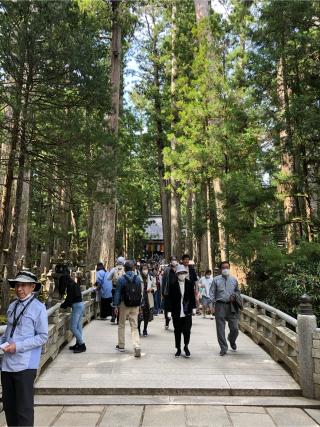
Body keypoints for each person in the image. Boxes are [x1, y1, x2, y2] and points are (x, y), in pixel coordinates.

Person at [1, 271, 48, 427]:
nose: (19, 288)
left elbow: (42, 336)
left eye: (23, 285)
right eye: (17, 285)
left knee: (24, 409)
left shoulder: (38, 308)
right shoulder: (13, 305)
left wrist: (18, 346)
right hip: (7, 365)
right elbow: (8, 333)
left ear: (32, 287)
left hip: (25, 365)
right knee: (9, 407)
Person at [210, 261, 241, 356]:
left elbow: (238, 292)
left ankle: (231, 339)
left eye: (227, 267)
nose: (225, 269)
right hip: (220, 305)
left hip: (231, 306)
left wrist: (235, 296)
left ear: (229, 268)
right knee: (220, 328)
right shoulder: (216, 280)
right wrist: (212, 306)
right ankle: (223, 347)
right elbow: (212, 293)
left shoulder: (234, 280)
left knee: (235, 328)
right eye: (223, 268)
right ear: (220, 269)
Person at [113, 260, 142, 357]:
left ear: (125, 268)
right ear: (133, 268)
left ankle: (121, 345)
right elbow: (141, 292)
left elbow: (117, 293)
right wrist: (140, 304)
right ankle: (136, 346)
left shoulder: (121, 279)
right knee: (134, 326)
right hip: (135, 305)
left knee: (121, 325)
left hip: (124, 304)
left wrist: (115, 305)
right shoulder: (138, 279)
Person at [167, 264, 196, 358]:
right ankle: (178, 348)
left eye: (183, 273)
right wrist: (169, 311)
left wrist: (194, 308)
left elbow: (192, 297)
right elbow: (169, 299)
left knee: (187, 330)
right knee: (177, 331)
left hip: (187, 311)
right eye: (180, 273)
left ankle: (186, 346)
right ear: (177, 274)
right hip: (176, 311)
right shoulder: (172, 284)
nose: (182, 274)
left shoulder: (189, 284)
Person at [61, 276, 86, 353]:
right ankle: (78, 344)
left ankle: (82, 345)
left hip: (77, 306)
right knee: (78, 327)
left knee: (73, 327)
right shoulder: (74, 284)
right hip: (81, 305)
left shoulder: (70, 286)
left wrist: (62, 306)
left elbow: (69, 299)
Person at [138, 264, 155, 336]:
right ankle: (138, 329)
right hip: (140, 298)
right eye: (144, 269)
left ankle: (145, 329)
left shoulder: (151, 277)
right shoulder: (137, 278)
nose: (145, 270)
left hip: (148, 298)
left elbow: (155, 286)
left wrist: (152, 289)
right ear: (141, 269)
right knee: (139, 315)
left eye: (146, 268)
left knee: (147, 315)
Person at [161, 256, 178, 330]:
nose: (174, 261)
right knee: (168, 309)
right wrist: (162, 292)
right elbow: (163, 282)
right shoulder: (167, 270)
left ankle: (176, 324)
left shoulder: (179, 269)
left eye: (175, 260)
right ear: (170, 261)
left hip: (177, 293)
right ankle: (167, 322)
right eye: (173, 260)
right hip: (168, 293)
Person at [107, 256, 126, 324]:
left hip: (114, 288)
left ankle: (113, 316)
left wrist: (113, 278)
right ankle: (119, 319)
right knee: (121, 303)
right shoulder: (125, 269)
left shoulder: (114, 269)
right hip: (122, 290)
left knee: (114, 302)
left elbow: (108, 278)